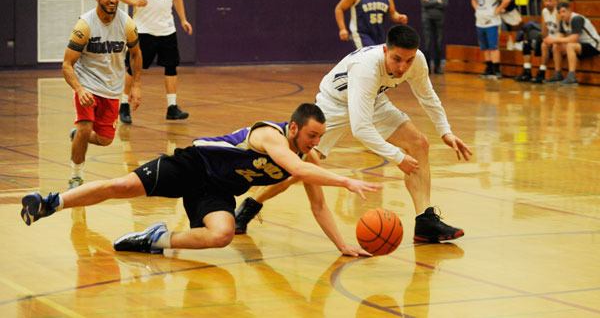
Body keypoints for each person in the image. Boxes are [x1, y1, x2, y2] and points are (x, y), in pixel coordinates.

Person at [20, 104, 381, 256]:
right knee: (123, 186)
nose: (316, 143)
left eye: (320, 137)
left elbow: (318, 206)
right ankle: (52, 202)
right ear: (295, 127)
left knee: (223, 234)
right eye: (312, 135)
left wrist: (343, 245)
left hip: (218, 189)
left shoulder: (308, 156)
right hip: (194, 164)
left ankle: (156, 241)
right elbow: (298, 170)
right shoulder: (270, 134)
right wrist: (347, 182)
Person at [235, 25, 473, 243]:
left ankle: (425, 221)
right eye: (396, 59)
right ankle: (251, 204)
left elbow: (427, 96)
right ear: (385, 50)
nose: (402, 67)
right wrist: (396, 157)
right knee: (300, 168)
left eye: (408, 61)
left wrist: (445, 131)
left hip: (373, 99)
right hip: (333, 105)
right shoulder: (367, 68)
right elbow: (361, 128)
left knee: (419, 143)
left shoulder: (416, 60)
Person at [62, 0, 142, 190]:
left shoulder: (127, 24)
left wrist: (135, 85)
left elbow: (136, 54)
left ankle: (78, 135)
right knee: (86, 127)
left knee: (106, 139)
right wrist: (79, 89)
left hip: (111, 89)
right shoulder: (84, 25)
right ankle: (76, 177)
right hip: (87, 85)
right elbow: (67, 64)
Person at [118, 0, 193, 123]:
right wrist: (135, 2)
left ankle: (172, 107)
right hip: (143, 29)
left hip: (167, 28)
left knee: (171, 66)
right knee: (134, 68)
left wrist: (183, 19)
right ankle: (124, 105)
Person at [544, 1, 600, 85]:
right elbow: (559, 37)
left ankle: (572, 77)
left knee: (570, 46)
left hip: (594, 45)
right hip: (580, 46)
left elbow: (574, 39)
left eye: (563, 11)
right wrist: (549, 41)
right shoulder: (563, 21)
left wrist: (554, 40)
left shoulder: (576, 19)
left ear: (569, 10)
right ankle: (558, 74)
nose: (561, 14)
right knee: (556, 46)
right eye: (559, 12)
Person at [471, 0, 511, 79]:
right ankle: (488, 68)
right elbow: (473, 0)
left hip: (492, 23)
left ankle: (496, 70)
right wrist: (477, 10)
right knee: (484, 47)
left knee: (493, 46)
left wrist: (498, 9)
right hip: (480, 22)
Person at [514, 0, 559, 83]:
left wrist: (549, 40)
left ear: (556, 2)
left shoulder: (558, 13)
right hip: (548, 37)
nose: (548, 3)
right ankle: (527, 71)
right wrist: (543, 37)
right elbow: (544, 29)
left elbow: (562, 32)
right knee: (526, 41)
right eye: (546, 0)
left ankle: (542, 72)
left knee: (544, 45)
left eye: (550, 1)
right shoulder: (544, 11)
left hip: (557, 39)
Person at [419, 0, 448, 74]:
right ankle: (427, 67)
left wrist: (430, 1)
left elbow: (445, 4)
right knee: (427, 43)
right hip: (427, 18)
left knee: (438, 43)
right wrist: (437, 1)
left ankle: (438, 67)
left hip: (439, 18)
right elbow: (424, 3)